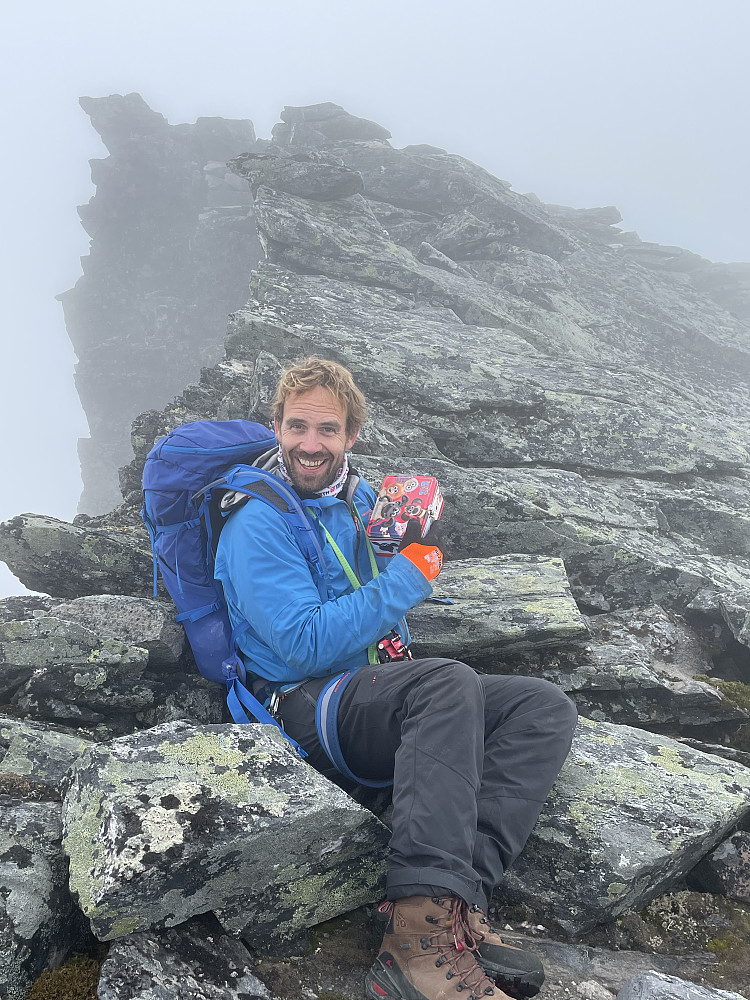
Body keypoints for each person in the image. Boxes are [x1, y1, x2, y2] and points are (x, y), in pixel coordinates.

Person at [214, 357, 578, 1000]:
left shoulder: (357, 502)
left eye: (327, 429)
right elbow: (300, 646)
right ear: (276, 426)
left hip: (373, 687)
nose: (309, 444)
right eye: (296, 426)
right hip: (304, 704)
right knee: (446, 684)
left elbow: (379, 606)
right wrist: (410, 575)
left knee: (540, 706)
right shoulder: (257, 522)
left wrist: (403, 545)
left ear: (352, 435)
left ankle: (460, 908)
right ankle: (416, 946)